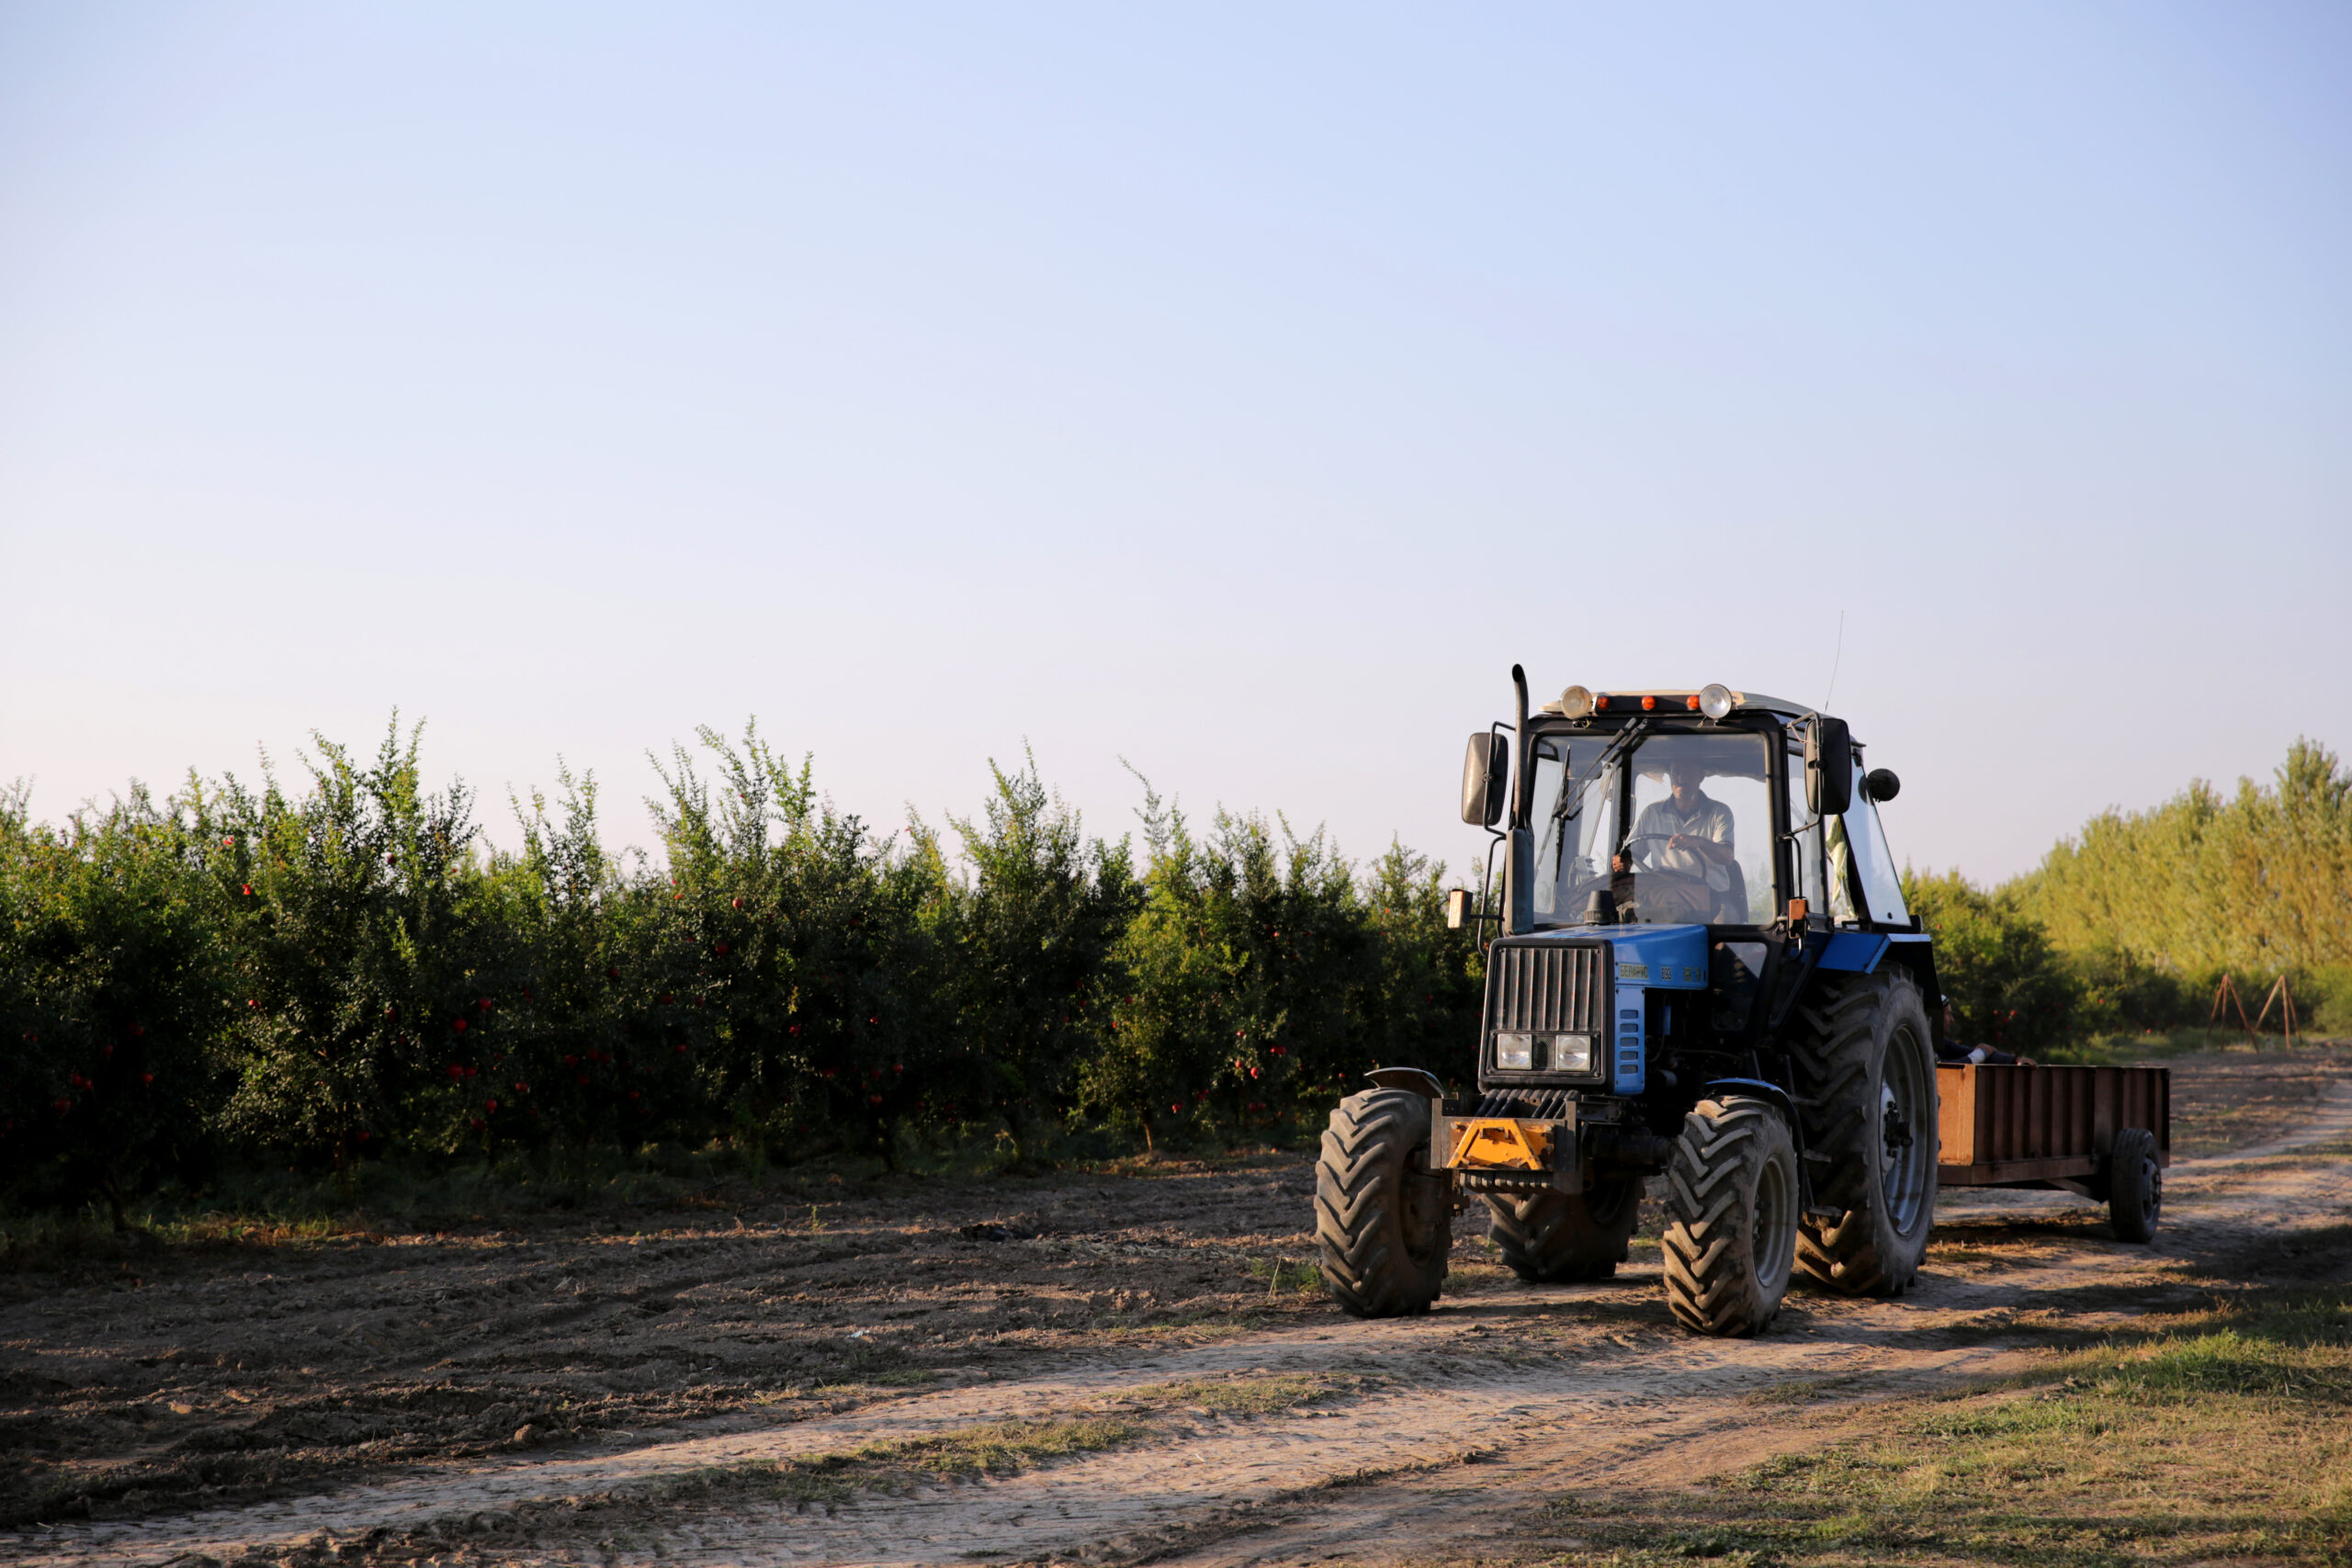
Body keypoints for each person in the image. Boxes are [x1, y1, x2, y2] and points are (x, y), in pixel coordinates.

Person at [1610, 756, 1735, 923]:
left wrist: (1699, 842)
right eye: (1677, 773)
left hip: (1711, 898)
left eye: (1688, 773)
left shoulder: (1719, 812)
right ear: (1670, 776)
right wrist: (1623, 861)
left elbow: (1726, 857)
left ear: (1701, 776)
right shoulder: (1652, 813)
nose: (1682, 779)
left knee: (1724, 937)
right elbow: (1631, 855)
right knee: (1619, 915)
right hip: (1665, 894)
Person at [1938, 998, 2036, 1066]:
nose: (1952, 1019)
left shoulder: (1940, 1043)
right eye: (1948, 1014)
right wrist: (1981, 1054)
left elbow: (1968, 1052)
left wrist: (2014, 1060)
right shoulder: (1925, 1046)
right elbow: (1941, 1067)